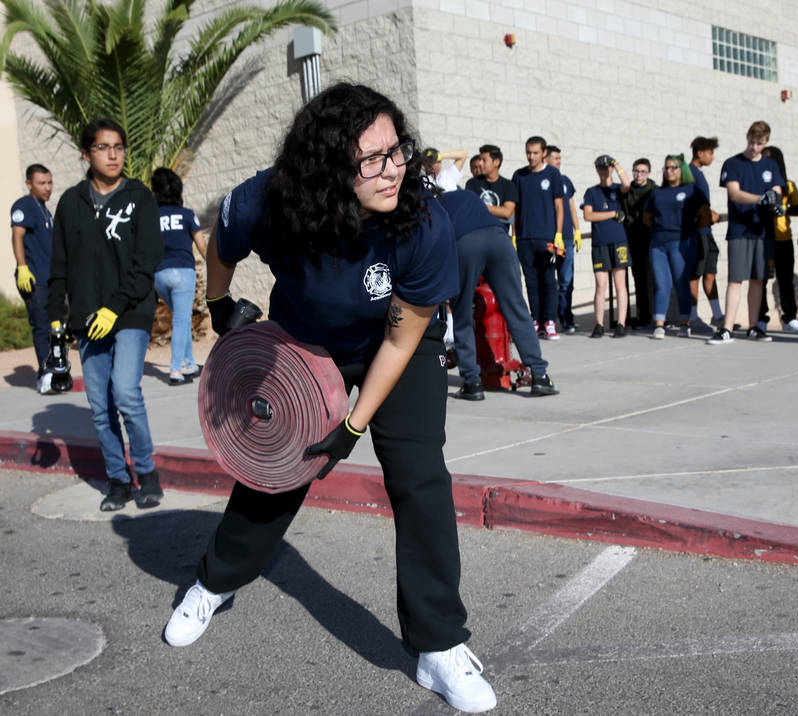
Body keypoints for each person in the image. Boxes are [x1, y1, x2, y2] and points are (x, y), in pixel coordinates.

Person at [163, 84, 498, 713]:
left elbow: (401, 341)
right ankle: (215, 581)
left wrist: (352, 424)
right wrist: (216, 304)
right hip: (304, 336)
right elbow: (216, 243)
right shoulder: (270, 200)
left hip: (393, 342)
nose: (392, 168)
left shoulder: (422, 222)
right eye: (370, 159)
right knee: (279, 468)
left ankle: (439, 645)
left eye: (396, 150)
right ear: (326, 167)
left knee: (420, 476)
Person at [47, 118, 163, 511]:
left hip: (130, 312)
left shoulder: (140, 198)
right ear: (86, 153)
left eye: (119, 146)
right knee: (100, 407)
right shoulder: (69, 202)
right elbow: (58, 265)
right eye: (103, 147)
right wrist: (55, 319)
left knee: (126, 392)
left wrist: (114, 308)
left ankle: (147, 473)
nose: (113, 154)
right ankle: (118, 480)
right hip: (85, 317)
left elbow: (146, 263)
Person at [442, 188, 558, 400]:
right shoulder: (466, 195)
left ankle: (472, 382)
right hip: (499, 239)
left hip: (466, 243)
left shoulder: (432, 206)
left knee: (462, 316)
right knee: (516, 308)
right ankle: (540, 376)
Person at [709, 121, 784, 344]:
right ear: (747, 138)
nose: (754, 147)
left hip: (763, 231)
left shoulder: (771, 165)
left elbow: (777, 190)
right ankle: (727, 329)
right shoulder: (733, 163)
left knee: (758, 280)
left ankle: (755, 326)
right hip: (740, 230)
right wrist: (761, 199)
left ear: (766, 142)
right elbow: (734, 193)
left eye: (759, 144)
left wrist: (775, 200)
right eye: (751, 142)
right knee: (735, 279)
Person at [151, 168, 207, 385]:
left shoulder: (152, 217)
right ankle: (176, 370)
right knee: (182, 320)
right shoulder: (187, 214)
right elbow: (202, 246)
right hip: (183, 272)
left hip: (159, 275)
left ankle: (190, 363)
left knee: (180, 319)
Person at [643, 155, 702, 339]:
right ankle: (660, 324)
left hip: (681, 243)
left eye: (674, 167)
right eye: (667, 168)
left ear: (681, 169)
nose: (669, 171)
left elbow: (706, 214)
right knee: (661, 284)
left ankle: (685, 323)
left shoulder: (692, 190)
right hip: (658, 244)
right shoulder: (657, 193)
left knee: (681, 282)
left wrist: (689, 231)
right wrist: (660, 229)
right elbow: (647, 216)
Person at [512, 136, 565, 340]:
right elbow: (515, 208)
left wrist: (558, 234)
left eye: (535, 152)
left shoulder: (553, 174)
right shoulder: (519, 175)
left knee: (548, 280)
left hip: (547, 237)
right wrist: (515, 235)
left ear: (544, 153)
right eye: (528, 152)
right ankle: (535, 320)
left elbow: (559, 206)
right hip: (525, 238)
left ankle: (549, 321)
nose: (531, 156)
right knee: (531, 282)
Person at [10, 163, 54, 394]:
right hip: (33, 278)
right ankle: (44, 374)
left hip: (49, 279)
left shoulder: (45, 210)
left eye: (49, 182)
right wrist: (22, 267)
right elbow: (17, 236)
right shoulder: (24, 206)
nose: (47, 187)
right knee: (41, 326)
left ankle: (55, 371)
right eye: (41, 183)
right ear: (29, 184)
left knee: (54, 327)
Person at [581, 154, 631, 337]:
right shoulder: (591, 192)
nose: (604, 170)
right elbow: (588, 215)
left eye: (606, 167)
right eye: (601, 167)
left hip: (619, 241)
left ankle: (621, 323)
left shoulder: (618, 189)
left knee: (620, 284)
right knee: (600, 285)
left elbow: (627, 184)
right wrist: (612, 214)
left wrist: (617, 165)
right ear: (596, 170)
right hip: (600, 243)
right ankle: (599, 324)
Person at [761, 146, 798, 331]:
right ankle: (760, 318)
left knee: (785, 279)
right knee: (760, 279)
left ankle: (789, 317)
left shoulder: (789, 185)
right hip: (762, 238)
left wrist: (784, 209)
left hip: (783, 239)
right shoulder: (758, 184)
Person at [687, 137, 724, 330]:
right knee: (695, 274)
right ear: (700, 153)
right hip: (695, 233)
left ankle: (718, 315)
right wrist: (709, 214)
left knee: (710, 272)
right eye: (710, 153)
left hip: (706, 231)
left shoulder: (698, 174)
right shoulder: (688, 173)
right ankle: (693, 317)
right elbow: (687, 203)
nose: (712, 157)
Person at [546, 145, 582, 333]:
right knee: (549, 281)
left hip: (567, 238)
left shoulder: (566, 180)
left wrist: (577, 229)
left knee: (567, 280)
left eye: (560, 158)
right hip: (550, 239)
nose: (559, 161)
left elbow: (571, 207)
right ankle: (548, 320)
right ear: (547, 159)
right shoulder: (544, 180)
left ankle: (566, 318)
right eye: (556, 158)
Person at [623, 158, 656, 328]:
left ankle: (658, 317)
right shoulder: (627, 190)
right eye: (636, 171)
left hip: (651, 239)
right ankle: (644, 317)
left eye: (642, 171)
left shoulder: (654, 190)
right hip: (633, 239)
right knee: (639, 279)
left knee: (654, 279)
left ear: (648, 173)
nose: (639, 175)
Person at [465, 144, 517, 237]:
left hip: (500, 236)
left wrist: (480, 206)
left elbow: (507, 212)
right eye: (480, 159)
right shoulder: (472, 183)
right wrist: (497, 210)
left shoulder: (508, 185)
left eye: (484, 160)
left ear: (496, 162)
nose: (480, 163)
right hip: (476, 235)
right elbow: (471, 209)